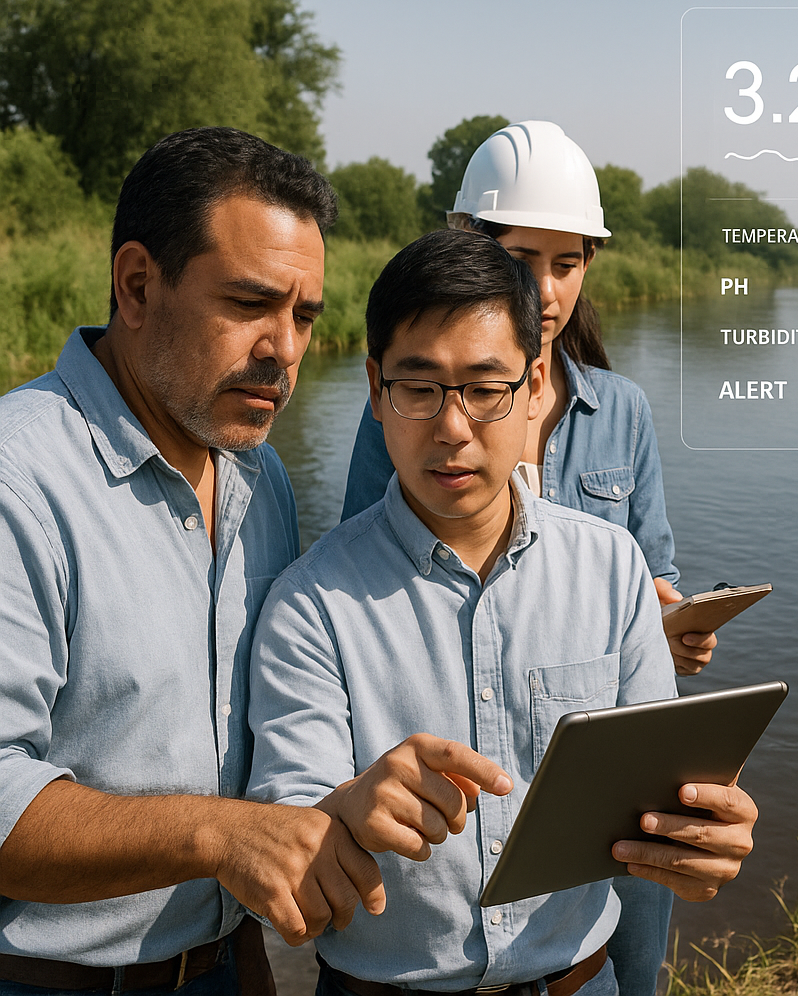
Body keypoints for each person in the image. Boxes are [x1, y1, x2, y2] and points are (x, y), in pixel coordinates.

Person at [0, 128, 503, 991]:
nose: (286, 349)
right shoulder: (21, 480)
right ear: (137, 286)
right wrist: (221, 835)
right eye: (249, 303)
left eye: (304, 314)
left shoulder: (257, 475)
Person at [247, 230, 759, 995]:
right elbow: (287, 831)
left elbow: (656, 788)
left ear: (535, 384)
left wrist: (700, 839)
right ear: (374, 387)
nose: (453, 428)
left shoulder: (613, 567)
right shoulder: (309, 604)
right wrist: (345, 809)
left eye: (486, 389)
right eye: (417, 388)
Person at [338, 121, 708, 994]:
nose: (543, 288)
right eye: (520, 256)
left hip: (598, 782)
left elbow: (647, 569)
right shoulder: (404, 408)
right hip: (463, 788)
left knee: (629, 967)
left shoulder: (621, 409)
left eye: (567, 262)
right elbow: (366, 570)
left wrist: (668, 624)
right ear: (468, 245)